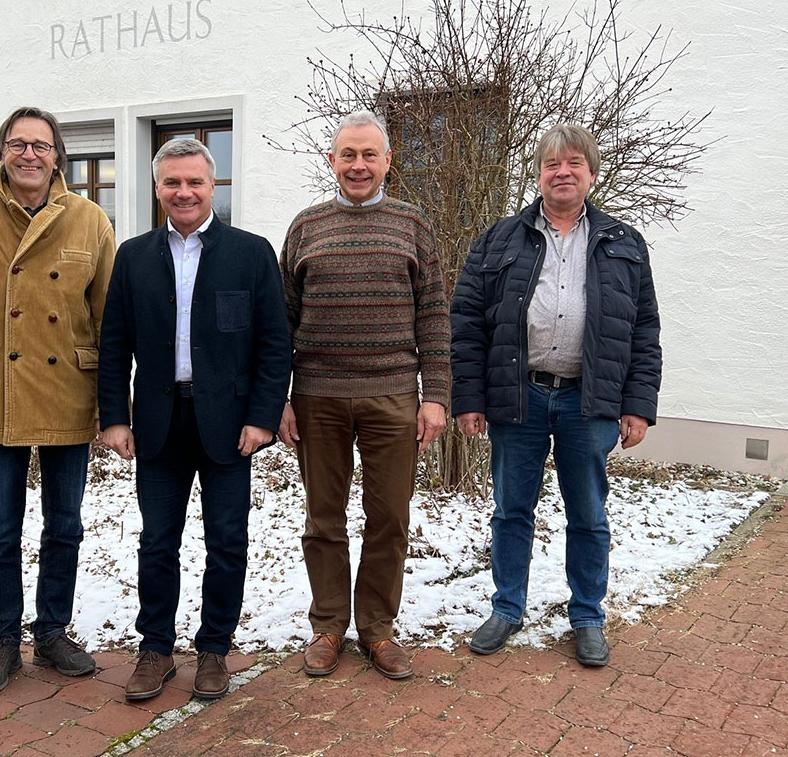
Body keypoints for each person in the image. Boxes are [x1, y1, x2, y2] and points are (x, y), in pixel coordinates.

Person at [450, 123, 661, 667]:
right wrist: (468, 397)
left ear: (591, 173)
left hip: (588, 401)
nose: (562, 172)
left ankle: (588, 616)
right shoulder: (500, 238)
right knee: (511, 510)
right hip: (518, 396)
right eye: (551, 164)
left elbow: (644, 331)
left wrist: (637, 405)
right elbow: (468, 322)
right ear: (538, 174)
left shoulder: (623, 243)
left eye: (573, 163)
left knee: (589, 513)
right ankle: (506, 608)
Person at [0, 106, 115, 695]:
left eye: (40, 145)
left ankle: (53, 631)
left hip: (69, 390)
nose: (29, 154)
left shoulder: (90, 219)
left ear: (58, 153)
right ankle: (3, 639)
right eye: (17, 144)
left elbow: (113, 321)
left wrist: (113, 407)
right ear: (1, 152)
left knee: (65, 525)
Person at [98, 138, 291, 701]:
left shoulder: (251, 253)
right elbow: (113, 344)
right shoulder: (133, 256)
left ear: (214, 186)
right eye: (172, 183)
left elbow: (274, 345)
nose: (184, 192)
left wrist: (262, 418)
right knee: (158, 540)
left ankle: (213, 650)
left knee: (227, 541)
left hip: (230, 426)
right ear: (158, 188)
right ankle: (155, 648)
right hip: (158, 423)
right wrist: (114, 417)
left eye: (195, 182)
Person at [278, 110, 450, 680]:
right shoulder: (306, 227)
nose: (358, 165)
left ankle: (376, 629)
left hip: (393, 395)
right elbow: (282, 320)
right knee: (322, 518)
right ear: (331, 160)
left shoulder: (414, 225)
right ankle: (328, 625)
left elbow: (433, 316)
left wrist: (436, 396)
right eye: (347, 155)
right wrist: (278, 399)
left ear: (387, 161)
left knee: (389, 519)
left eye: (369, 155)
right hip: (317, 398)